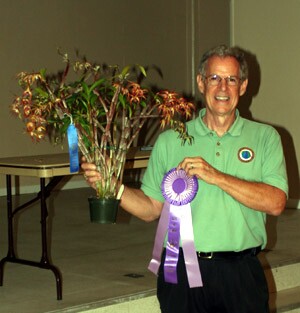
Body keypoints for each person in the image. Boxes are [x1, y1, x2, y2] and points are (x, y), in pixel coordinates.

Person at [81, 45, 288, 313]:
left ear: (244, 86)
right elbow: (150, 209)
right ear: (201, 83)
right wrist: (114, 189)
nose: (222, 87)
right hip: (181, 272)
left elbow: (276, 203)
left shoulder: (266, 137)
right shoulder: (172, 140)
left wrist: (216, 177)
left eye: (231, 79)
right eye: (214, 78)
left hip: (241, 274)